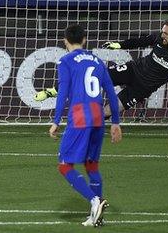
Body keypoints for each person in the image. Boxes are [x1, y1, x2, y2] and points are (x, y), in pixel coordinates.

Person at [36, 20, 168, 118]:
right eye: (162, 32)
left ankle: (90, 122)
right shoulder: (158, 39)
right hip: (132, 70)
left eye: (167, 34)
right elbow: (139, 41)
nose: (163, 36)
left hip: (142, 88)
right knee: (95, 78)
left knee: (107, 111)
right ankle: (52, 91)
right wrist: (119, 45)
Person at [49, 24, 122, 227]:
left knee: (64, 165)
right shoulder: (98, 61)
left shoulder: (65, 61)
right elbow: (111, 93)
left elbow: (63, 93)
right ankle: (97, 217)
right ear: (84, 40)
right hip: (98, 116)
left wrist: (56, 121)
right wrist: (115, 121)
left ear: (65, 41)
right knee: (92, 165)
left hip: (80, 116)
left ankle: (95, 201)